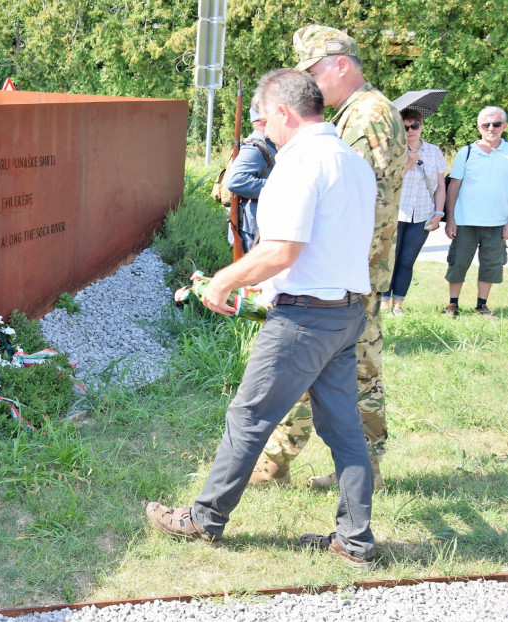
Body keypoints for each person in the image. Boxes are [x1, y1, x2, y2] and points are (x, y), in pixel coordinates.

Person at [146, 68, 378, 568]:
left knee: (248, 417)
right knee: (345, 431)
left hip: (304, 319)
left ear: (283, 112)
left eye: (264, 119)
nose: (262, 129)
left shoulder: (300, 162)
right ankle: (354, 540)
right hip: (344, 313)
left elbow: (281, 250)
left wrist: (222, 281)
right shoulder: (352, 160)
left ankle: (204, 519)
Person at [249, 25, 406, 490]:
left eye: (314, 71)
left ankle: (279, 463)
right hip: (356, 273)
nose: (310, 84)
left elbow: (356, 203)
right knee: (353, 369)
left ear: (341, 64)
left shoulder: (367, 115)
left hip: (348, 275)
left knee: (322, 364)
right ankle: (355, 468)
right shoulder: (361, 111)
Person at [381, 109, 449, 316]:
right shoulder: (392, 149)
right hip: (396, 213)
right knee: (390, 258)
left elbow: (440, 186)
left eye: (414, 125)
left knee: (407, 260)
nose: (410, 130)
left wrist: (439, 212)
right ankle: (384, 302)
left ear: (421, 126)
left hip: (422, 214)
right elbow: (387, 182)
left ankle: (398, 304)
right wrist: (408, 162)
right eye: (405, 127)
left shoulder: (434, 151)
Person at [443, 106, 508, 317]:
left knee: (491, 265)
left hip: (497, 222)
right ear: (479, 127)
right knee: (458, 263)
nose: (491, 128)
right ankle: (452, 304)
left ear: (504, 126)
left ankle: (482, 306)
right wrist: (451, 219)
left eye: (496, 124)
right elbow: (454, 186)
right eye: (486, 124)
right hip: (465, 221)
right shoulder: (467, 152)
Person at [224, 95, 278, 252]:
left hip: (261, 222)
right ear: (263, 120)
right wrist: (276, 188)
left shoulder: (268, 143)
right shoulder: (255, 147)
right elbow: (235, 180)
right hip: (252, 228)